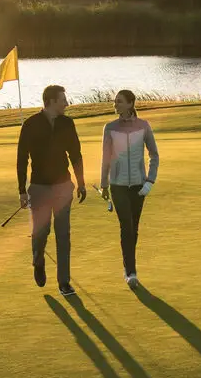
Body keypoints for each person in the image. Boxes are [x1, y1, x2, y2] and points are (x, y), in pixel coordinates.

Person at [17, 84, 87, 294]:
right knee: (40, 233)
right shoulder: (31, 124)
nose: (66, 103)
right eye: (63, 100)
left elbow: (75, 154)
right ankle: (38, 260)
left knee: (63, 234)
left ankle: (63, 282)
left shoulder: (67, 123)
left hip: (63, 187)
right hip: (39, 188)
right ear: (51, 101)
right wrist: (22, 190)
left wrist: (81, 182)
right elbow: (22, 159)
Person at [100, 89, 159, 289]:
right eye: (115, 101)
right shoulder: (110, 127)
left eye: (119, 101)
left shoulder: (143, 126)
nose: (115, 104)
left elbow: (154, 155)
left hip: (139, 186)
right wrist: (104, 184)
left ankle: (129, 265)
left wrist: (150, 181)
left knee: (134, 228)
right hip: (117, 185)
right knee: (126, 225)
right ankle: (130, 271)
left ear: (131, 104)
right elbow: (106, 158)